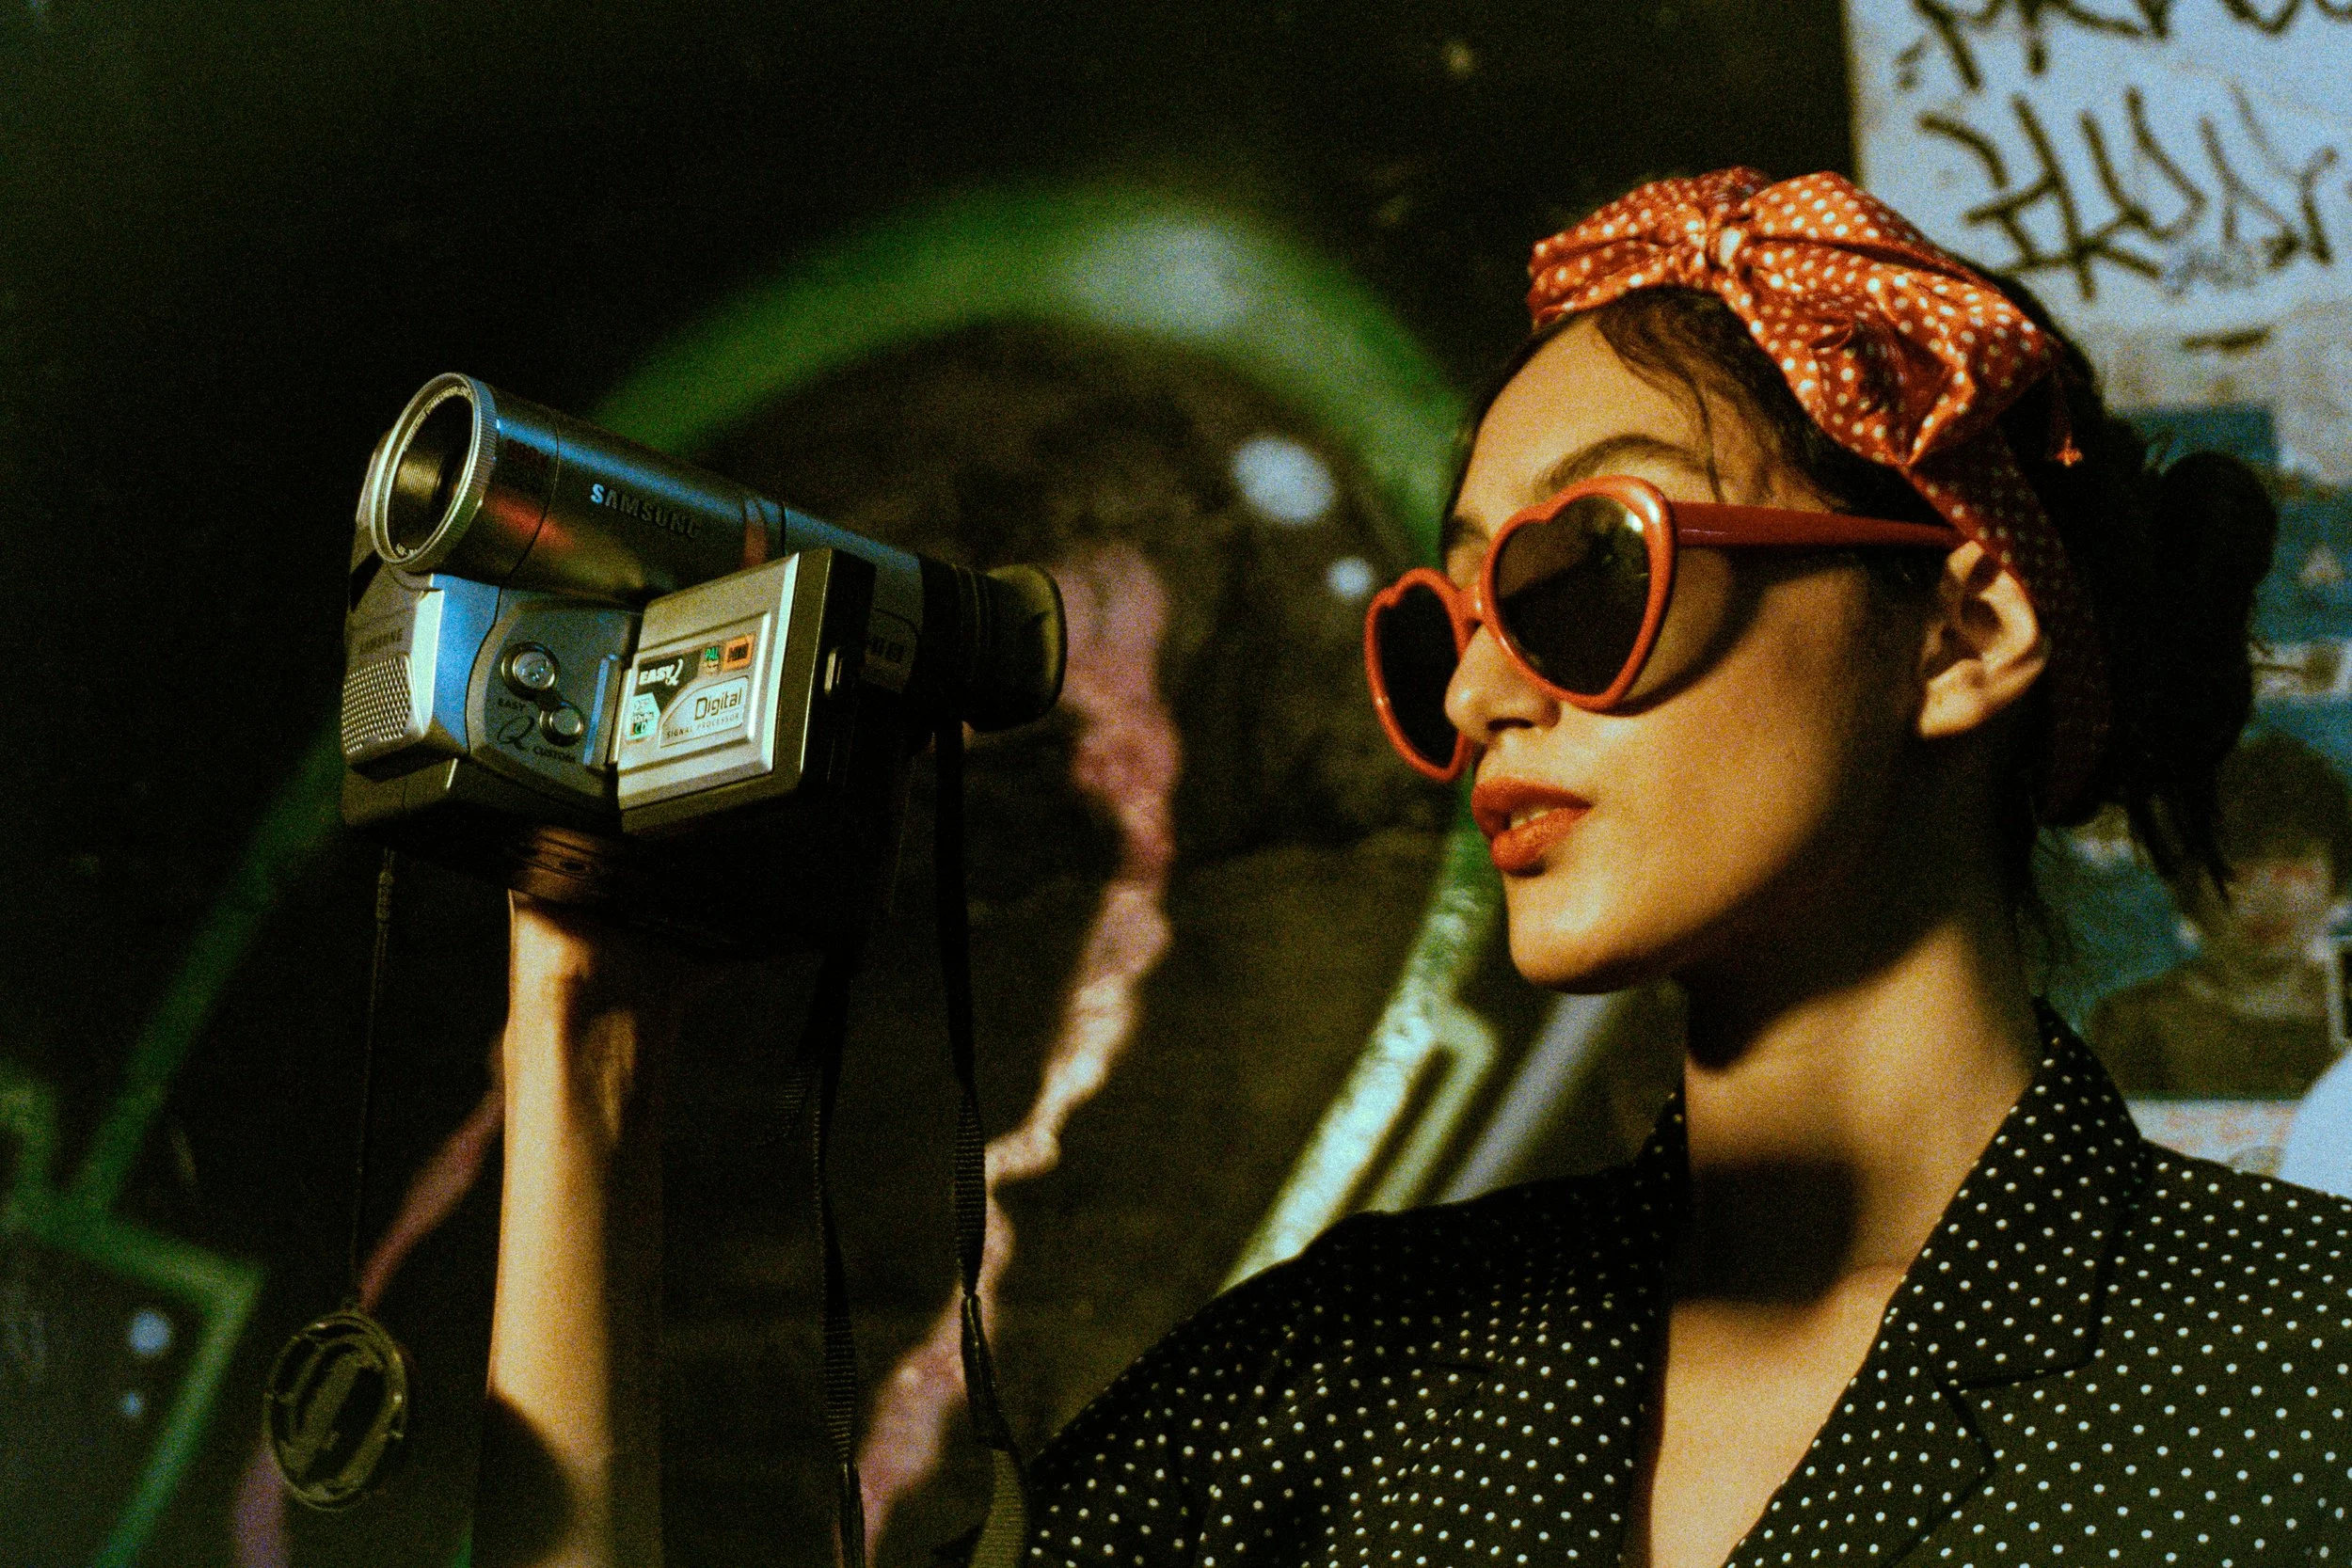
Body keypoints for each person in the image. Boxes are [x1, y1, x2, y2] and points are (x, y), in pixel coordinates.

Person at [469, 169, 2352, 1568]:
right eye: (1442, 611)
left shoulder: (2296, 1381)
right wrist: (582, 1045)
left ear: (1955, 630)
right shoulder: (1303, 1401)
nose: (1468, 688)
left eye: (1578, 575)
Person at [2090, 731, 2352, 1098]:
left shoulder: (2345, 1015)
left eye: (2292, 859)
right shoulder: (2134, 1026)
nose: (2269, 895)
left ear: (2337, 876)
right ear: (2187, 882)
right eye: (2236, 865)